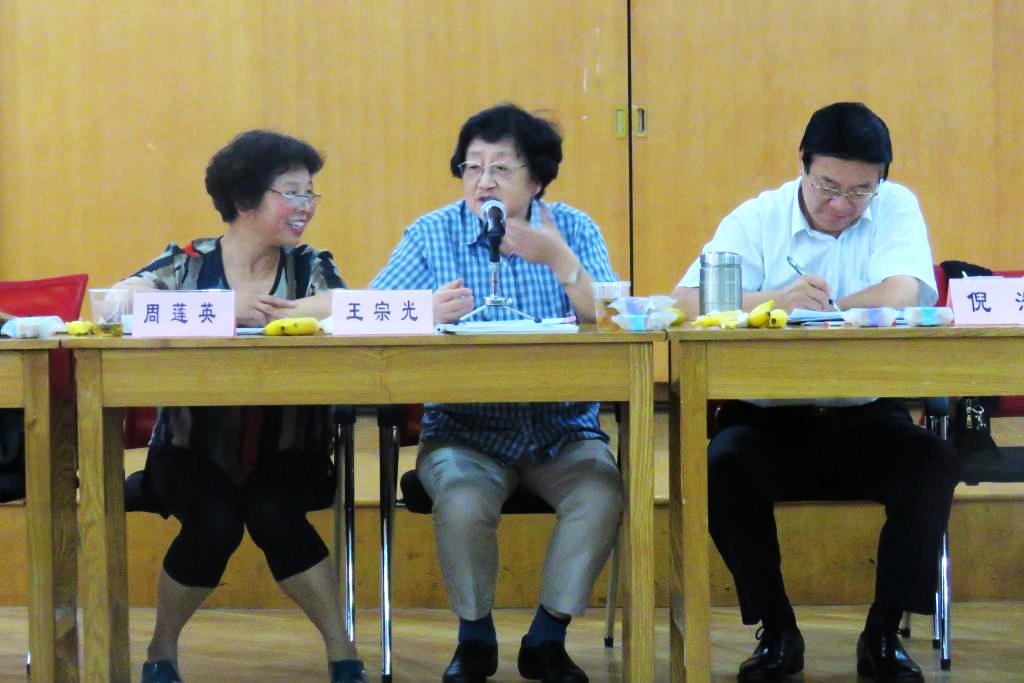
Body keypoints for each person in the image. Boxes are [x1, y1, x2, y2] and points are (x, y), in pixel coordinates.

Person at [672, 102, 958, 683]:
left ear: (880, 181)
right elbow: (687, 300)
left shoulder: (895, 205)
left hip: (867, 417)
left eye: (859, 191)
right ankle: (777, 630)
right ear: (803, 164)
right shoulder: (758, 218)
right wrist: (775, 299)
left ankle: (883, 635)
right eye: (828, 186)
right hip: (768, 422)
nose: (841, 204)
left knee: (932, 461)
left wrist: (826, 312)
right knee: (720, 467)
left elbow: (905, 291)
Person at [371, 104, 622, 683]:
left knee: (601, 493)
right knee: (461, 500)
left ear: (536, 181)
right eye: (472, 166)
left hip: (564, 430)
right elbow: (372, 313)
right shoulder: (432, 233)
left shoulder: (574, 229)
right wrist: (422, 309)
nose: (483, 181)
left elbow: (610, 318)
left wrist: (559, 260)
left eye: (501, 168)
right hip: (464, 432)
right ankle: (475, 637)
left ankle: (547, 638)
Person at [114, 130, 364, 683]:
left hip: (293, 452)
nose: (305, 206)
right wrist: (222, 308)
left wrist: (290, 310)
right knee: (216, 519)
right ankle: (161, 649)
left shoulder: (309, 265)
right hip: (190, 452)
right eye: (291, 192)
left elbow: (345, 306)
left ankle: (343, 652)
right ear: (246, 199)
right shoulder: (187, 262)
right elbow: (122, 301)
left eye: (310, 193)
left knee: (273, 512)